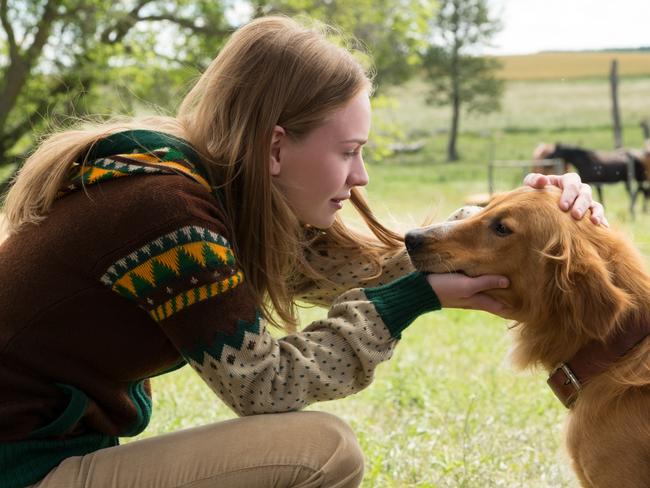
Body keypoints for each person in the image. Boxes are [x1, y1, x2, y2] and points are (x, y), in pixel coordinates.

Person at [0, 15, 605, 488]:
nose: (360, 175)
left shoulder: (206, 189)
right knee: (323, 453)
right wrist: (409, 300)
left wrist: (522, 215)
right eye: (348, 151)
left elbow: (364, 264)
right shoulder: (169, 217)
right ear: (276, 148)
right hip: (23, 470)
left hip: (46, 455)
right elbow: (267, 384)